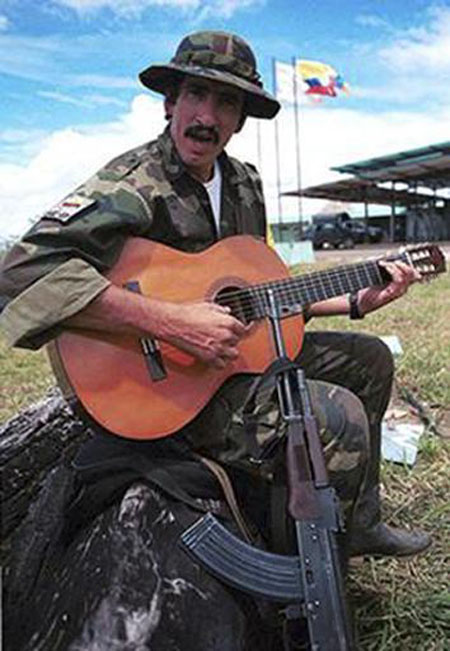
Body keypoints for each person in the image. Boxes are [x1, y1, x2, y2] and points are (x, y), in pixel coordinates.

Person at [0, 30, 430, 565]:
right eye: (196, 95)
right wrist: (168, 322)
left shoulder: (244, 183)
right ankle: (313, 575)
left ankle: (356, 524)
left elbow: (255, 296)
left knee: (370, 360)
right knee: (334, 414)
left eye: (226, 101)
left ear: (241, 118)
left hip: (230, 367)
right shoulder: (133, 183)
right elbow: (22, 272)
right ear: (169, 102)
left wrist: (357, 299)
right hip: (155, 390)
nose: (207, 115)